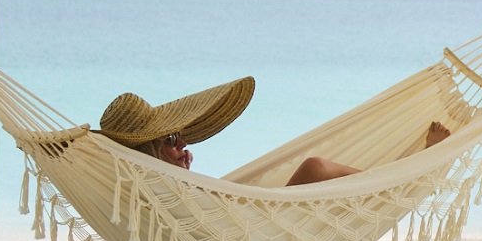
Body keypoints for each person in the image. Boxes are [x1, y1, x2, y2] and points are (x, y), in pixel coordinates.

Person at [98, 77, 450, 185]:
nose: (183, 143)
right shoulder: (153, 181)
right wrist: (180, 174)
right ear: (150, 149)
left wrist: (180, 169)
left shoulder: (152, 178)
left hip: (241, 227)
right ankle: (411, 177)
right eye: (172, 139)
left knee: (317, 169)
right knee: (316, 167)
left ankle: (406, 178)